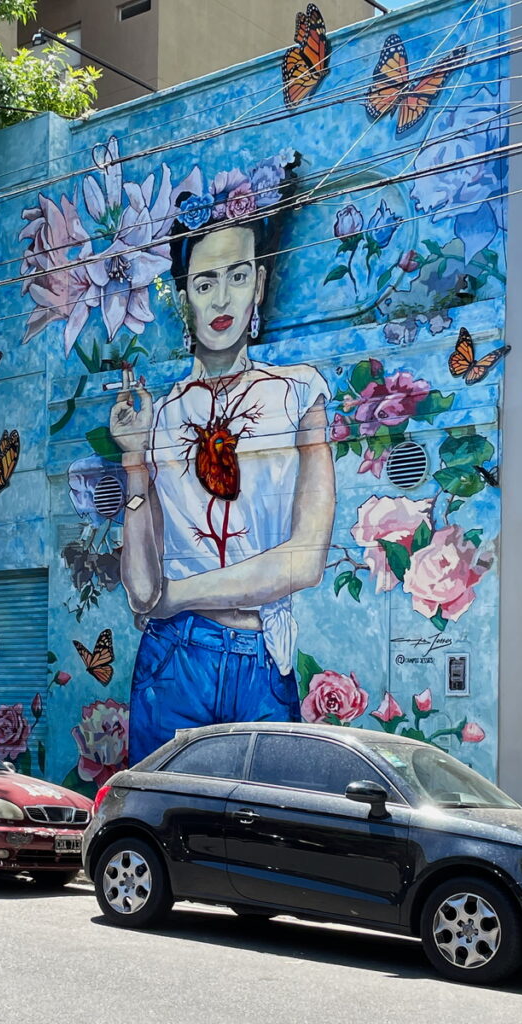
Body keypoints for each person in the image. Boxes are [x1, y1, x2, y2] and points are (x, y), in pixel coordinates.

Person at [110, 207, 336, 765]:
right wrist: (135, 456)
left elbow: (303, 562)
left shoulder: (300, 395)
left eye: (238, 276)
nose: (222, 299)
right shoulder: (159, 415)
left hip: (262, 659)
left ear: (259, 283)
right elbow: (141, 591)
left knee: (269, 831)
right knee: (157, 816)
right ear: (185, 294)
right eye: (204, 282)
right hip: (173, 661)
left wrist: (176, 597)